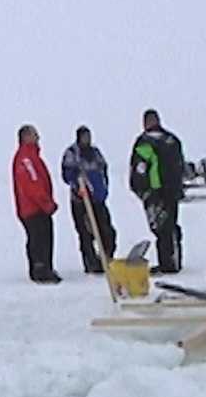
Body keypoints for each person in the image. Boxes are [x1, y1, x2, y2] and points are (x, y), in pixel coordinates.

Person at [130, 109, 185, 274]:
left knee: (161, 228)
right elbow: (180, 166)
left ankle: (167, 263)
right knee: (170, 225)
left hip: (156, 192)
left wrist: (140, 189)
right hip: (172, 191)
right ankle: (173, 259)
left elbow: (140, 168)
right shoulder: (172, 140)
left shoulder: (145, 142)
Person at [61, 126, 117, 273]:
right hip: (80, 201)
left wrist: (103, 188)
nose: (87, 140)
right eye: (84, 137)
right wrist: (78, 180)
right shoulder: (72, 153)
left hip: (98, 199)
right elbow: (67, 175)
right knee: (85, 233)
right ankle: (91, 262)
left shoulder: (95, 153)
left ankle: (106, 257)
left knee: (107, 229)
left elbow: (103, 169)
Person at [12, 124, 61, 284]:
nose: (38, 138)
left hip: (36, 207)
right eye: (35, 135)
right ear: (26, 137)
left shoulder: (32, 157)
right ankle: (40, 269)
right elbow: (32, 184)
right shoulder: (26, 158)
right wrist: (46, 203)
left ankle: (44, 267)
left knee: (44, 236)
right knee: (39, 238)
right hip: (33, 208)